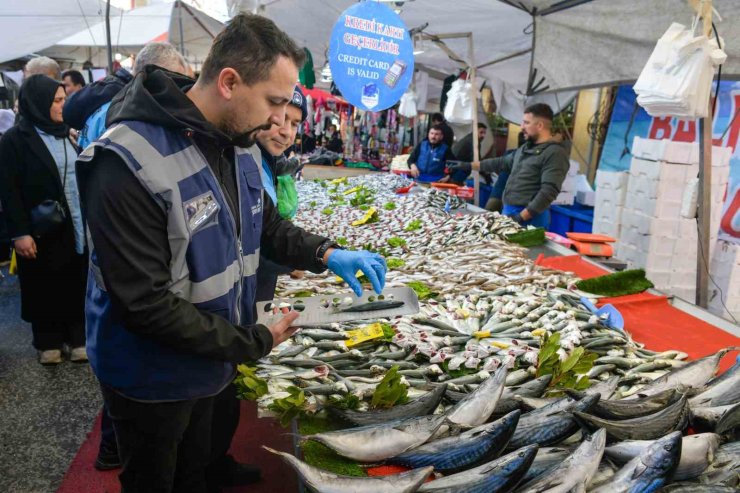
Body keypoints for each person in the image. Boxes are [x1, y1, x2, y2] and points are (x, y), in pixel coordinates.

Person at [76, 13, 386, 493]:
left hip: (209, 361)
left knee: (195, 471)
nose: (277, 119)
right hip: (150, 376)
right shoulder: (125, 160)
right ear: (228, 82)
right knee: (155, 479)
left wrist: (327, 252)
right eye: (274, 101)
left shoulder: (237, 143)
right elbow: (143, 304)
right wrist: (253, 340)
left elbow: (265, 224)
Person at [63, 42, 190, 473]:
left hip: (107, 244)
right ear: (154, 78)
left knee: (118, 339)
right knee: (124, 344)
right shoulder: (124, 118)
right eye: (179, 80)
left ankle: (113, 444)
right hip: (118, 242)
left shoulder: (109, 110)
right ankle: (116, 444)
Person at [0, 75, 87, 365]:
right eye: (58, 101)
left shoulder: (66, 133)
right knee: (44, 282)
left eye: (64, 100)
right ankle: (48, 340)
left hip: (75, 223)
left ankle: (78, 338)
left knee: (75, 276)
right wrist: (19, 233)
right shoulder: (15, 139)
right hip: (40, 227)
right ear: (39, 103)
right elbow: (8, 191)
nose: (64, 106)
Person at [448, 103, 569, 228]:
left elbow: (548, 191)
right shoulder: (525, 148)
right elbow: (500, 163)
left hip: (531, 218)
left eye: (526, 123)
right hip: (510, 211)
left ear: (539, 125)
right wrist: (468, 165)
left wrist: (521, 217)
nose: (521, 127)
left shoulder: (555, 153)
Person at [65, 42, 188, 151]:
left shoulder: (110, 97)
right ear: (153, 77)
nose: (177, 92)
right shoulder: (126, 111)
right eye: (174, 82)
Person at [255, 85, 306, 303]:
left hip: (259, 292)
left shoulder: (271, 162)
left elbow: (267, 226)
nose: (287, 131)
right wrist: (288, 263)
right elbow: (242, 248)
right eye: (282, 118)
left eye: (295, 124)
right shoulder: (240, 162)